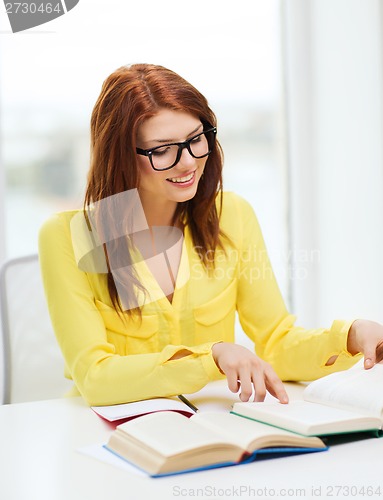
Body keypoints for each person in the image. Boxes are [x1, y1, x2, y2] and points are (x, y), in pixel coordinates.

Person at [39, 63, 383, 407]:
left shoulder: (232, 215)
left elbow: (276, 341)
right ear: (118, 155)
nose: (188, 162)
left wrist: (348, 338)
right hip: (105, 432)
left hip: (210, 421)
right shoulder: (65, 237)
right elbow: (95, 378)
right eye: (162, 150)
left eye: (195, 139)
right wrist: (210, 357)